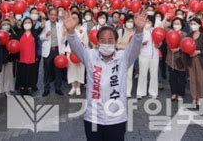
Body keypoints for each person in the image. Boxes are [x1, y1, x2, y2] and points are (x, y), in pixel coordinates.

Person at [63, 8, 147, 141]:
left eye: (110, 40)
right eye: (102, 40)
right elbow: (76, 46)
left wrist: (139, 31)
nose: (106, 43)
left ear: (115, 42)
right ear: (97, 42)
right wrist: (71, 32)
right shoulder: (90, 56)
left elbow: (135, 47)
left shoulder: (123, 58)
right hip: (93, 117)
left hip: (116, 118)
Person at [185, 18, 203, 108]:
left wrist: (199, 52)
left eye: (195, 23)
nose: (193, 25)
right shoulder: (189, 35)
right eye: (191, 23)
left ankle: (200, 98)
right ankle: (194, 98)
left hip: (200, 59)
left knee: (200, 80)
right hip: (191, 60)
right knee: (192, 80)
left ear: (199, 25)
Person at [40, 8, 65, 96]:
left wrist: (62, 51)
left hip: (57, 50)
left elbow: (63, 38)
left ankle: (58, 88)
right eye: (52, 15)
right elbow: (40, 37)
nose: (53, 16)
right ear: (48, 15)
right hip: (48, 50)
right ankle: (46, 88)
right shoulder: (44, 25)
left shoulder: (60, 25)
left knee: (58, 70)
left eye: (55, 15)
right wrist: (45, 35)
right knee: (46, 70)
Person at [63, 12, 88, 96]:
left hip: (80, 53)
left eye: (75, 18)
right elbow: (63, 40)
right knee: (71, 70)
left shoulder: (83, 29)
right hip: (70, 52)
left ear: (79, 19)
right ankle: (73, 86)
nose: (74, 19)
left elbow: (86, 42)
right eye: (72, 18)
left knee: (80, 70)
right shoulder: (68, 29)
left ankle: (78, 87)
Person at [15, 18, 40, 95]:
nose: (27, 24)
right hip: (21, 56)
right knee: (22, 73)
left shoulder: (34, 32)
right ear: (22, 24)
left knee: (30, 73)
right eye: (25, 22)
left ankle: (28, 88)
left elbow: (37, 45)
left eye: (29, 22)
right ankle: (22, 87)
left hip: (31, 57)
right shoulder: (20, 32)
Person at [137, 16, 160, 99]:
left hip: (154, 56)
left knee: (154, 75)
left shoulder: (155, 30)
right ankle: (140, 92)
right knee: (142, 74)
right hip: (143, 55)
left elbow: (160, 41)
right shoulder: (140, 31)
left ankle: (153, 92)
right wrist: (141, 44)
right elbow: (134, 43)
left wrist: (159, 44)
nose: (147, 23)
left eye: (149, 22)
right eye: (146, 21)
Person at [166, 18, 188, 101]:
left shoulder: (185, 34)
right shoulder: (169, 33)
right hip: (171, 59)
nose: (176, 25)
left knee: (181, 78)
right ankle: (174, 93)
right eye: (175, 23)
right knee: (172, 78)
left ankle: (181, 94)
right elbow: (162, 27)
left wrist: (178, 49)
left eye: (178, 23)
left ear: (182, 25)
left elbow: (186, 45)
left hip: (181, 59)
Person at [0, 19, 16, 98]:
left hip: (9, 57)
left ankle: (7, 90)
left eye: (7, 24)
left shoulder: (13, 35)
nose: (6, 25)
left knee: (8, 75)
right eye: (4, 24)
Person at [117, 15, 135, 97]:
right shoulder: (121, 31)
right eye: (128, 21)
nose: (130, 23)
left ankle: (128, 91)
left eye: (131, 22)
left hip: (130, 56)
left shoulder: (135, 33)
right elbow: (116, 44)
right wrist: (127, 47)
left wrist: (125, 47)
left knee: (129, 74)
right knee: (120, 74)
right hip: (120, 55)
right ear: (125, 22)